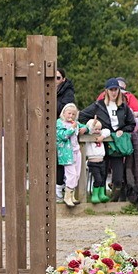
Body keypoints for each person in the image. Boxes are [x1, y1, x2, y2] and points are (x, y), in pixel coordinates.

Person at [80, 79, 137, 201]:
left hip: (117, 145)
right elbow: (82, 115)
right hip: (102, 144)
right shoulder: (98, 105)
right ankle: (100, 199)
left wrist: (122, 130)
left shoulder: (124, 107)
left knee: (118, 177)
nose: (114, 92)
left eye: (116, 89)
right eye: (111, 90)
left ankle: (113, 201)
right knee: (101, 173)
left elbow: (131, 124)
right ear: (106, 91)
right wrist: (92, 127)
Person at [55, 103, 86, 207]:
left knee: (76, 174)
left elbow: (84, 126)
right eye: (69, 113)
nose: (71, 116)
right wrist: (72, 128)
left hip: (76, 151)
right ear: (64, 113)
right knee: (71, 174)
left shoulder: (75, 123)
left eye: (73, 114)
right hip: (66, 153)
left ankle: (71, 195)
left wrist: (85, 128)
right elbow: (63, 136)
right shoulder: (59, 123)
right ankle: (67, 196)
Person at [54, 67, 77, 202]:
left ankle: (62, 191)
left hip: (62, 128)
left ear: (63, 79)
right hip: (53, 127)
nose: (55, 81)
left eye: (57, 78)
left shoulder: (68, 92)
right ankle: (60, 190)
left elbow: (63, 109)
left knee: (63, 163)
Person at [84, 118, 110, 203]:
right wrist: (92, 125)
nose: (98, 131)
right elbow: (89, 130)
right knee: (98, 179)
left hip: (101, 161)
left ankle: (101, 195)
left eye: (99, 129)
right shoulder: (89, 135)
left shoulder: (101, 134)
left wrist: (102, 136)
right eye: (96, 129)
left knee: (102, 178)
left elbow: (107, 131)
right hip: (93, 162)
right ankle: (94, 195)